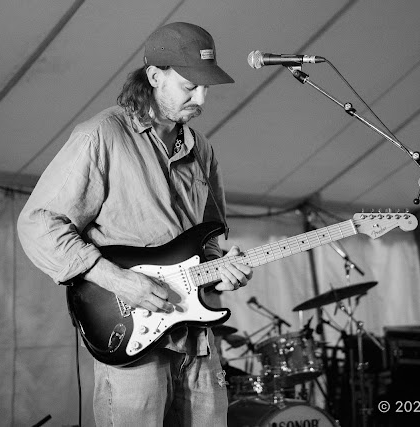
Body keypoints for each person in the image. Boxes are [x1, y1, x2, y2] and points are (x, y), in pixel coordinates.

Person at [17, 22, 253, 426]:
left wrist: (221, 272)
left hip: (198, 338)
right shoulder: (101, 136)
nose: (201, 99)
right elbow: (39, 223)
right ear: (155, 76)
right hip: (132, 335)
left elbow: (209, 236)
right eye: (189, 86)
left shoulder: (203, 149)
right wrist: (115, 278)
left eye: (206, 87)